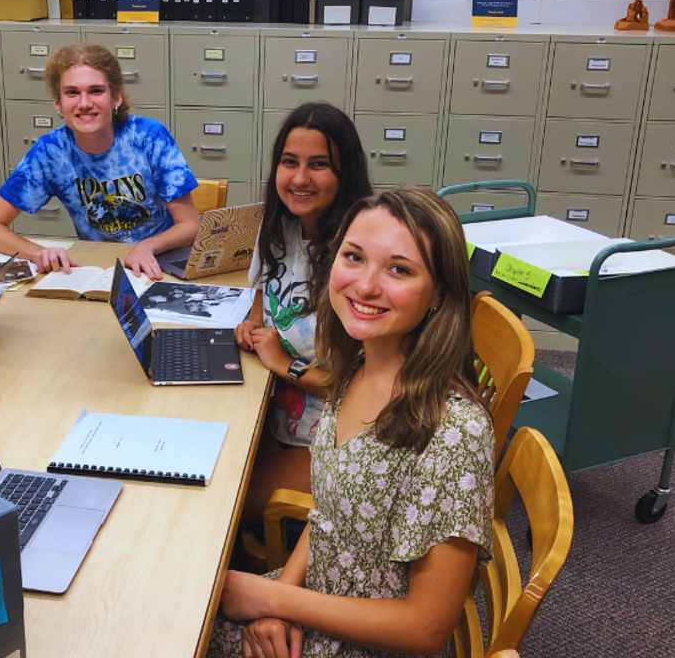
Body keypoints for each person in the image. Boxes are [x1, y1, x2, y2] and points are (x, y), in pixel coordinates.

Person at [210, 187, 495, 658]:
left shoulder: (454, 433)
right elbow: (329, 517)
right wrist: (282, 603)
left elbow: (425, 629)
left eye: (399, 269)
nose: (364, 285)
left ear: (439, 294)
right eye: (354, 257)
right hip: (312, 602)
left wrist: (274, 598)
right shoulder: (357, 365)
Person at [235, 101, 373, 526]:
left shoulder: (358, 253)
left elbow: (365, 389)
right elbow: (261, 298)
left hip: (341, 437)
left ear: (344, 173)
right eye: (289, 162)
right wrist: (252, 325)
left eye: (318, 165)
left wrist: (284, 363)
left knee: (226, 502)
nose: (299, 178)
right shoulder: (280, 227)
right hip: (279, 415)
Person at [0, 42, 200, 280]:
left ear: (116, 97)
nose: (84, 103)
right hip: (99, 269)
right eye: (72, 92)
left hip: (159, 264)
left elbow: (190, 225)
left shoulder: (149, 136)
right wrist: (38, 253)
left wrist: (147, 246)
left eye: (96, 91)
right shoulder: (51, 152)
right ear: (58, 102)